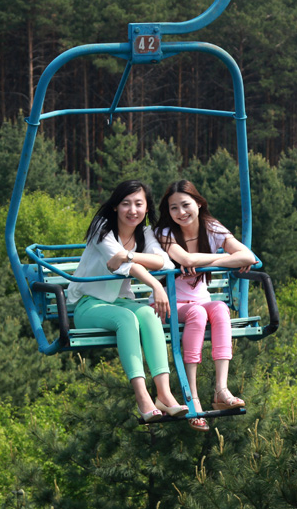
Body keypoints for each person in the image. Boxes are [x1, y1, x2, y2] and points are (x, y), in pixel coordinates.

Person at [67, 180, 187, 423]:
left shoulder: (145, 233)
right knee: (127, 319)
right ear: (115, 206)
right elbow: (124, 266)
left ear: (146, 208)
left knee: (149, 314)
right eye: (126, 204)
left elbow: (165, 263)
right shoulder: (102, 229)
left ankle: (164, 394)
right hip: (88, 305)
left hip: (121, 301)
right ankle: (142, 397)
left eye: (138, 204)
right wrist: (155, 284)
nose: (133, 210)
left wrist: (128, 254)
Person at [154, 180, 257, 431]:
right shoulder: (165, 233)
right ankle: (192, 397)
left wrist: (209, 260)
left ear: (199, 204)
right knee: (198, 314)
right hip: (170, 305)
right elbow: (185, 259)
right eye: (173, 208)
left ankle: (221, 389)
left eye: (185, 205)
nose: (181, 212)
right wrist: (225, 259)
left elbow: (247, 256)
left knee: (220, 308)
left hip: (200, 300)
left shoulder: (212, 228)